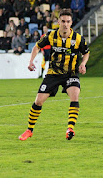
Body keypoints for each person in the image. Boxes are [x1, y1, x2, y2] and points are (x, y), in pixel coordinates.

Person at [19, 9, 90, 141]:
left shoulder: (78, 38)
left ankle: (70, 128)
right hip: (53, 74)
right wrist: (31, 61)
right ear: (58, 22)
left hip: (71, 74)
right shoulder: (51, 36)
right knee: (38, 101)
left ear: (71, 22)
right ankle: (29, 130)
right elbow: (36, 46)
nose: (65, 24)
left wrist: (83, 63)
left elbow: (86, 52)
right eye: (63, 21)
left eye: (68, 21)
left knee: (75, 96)